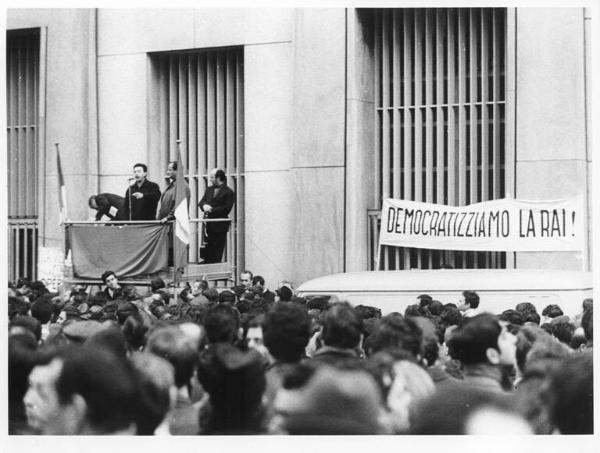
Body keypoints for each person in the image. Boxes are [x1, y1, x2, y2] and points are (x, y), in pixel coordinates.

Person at [199, 168, 235, 263]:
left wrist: (211, 209)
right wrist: (204, 206)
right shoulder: (209, 189)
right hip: (208, 224)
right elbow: (201, 202)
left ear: (218, 178)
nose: (210, 179)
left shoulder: (228, 192)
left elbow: (226, 208)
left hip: (219, 226)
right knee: (207, 248)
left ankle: (215, 266)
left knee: (217, 250)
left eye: (212, 177)